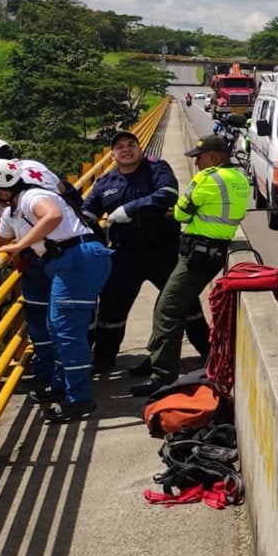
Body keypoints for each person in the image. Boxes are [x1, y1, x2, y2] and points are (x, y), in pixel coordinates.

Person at [0, 160, 113, 423]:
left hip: (77, 258)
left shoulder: (33, 196)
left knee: (67, 332)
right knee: (57, 328)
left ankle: (79, 398)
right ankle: (64, 387)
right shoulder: (13, 213)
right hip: (68, 262)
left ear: (1, 192)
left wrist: (21, 246)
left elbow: (53, 215)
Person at [130, 135, 250, 396]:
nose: (196, 163)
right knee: (167, 301)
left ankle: (163, 374)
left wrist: (175, 212)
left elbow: (183, 212)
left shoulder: (208, 178)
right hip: (214, 251)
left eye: (199, 157)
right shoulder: (240, 179)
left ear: (214, 157)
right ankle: (156, 357)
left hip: (197, 253)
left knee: (168, 309)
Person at [84, 130, 209, 373]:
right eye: (120, 147)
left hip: (163, 251)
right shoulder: (105, 183)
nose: (126, 149)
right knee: (111, 309)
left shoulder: (156, 168)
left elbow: (168, 194)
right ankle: (104, 358)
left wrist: (129, 210)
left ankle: (208, 350)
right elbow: (87, 213)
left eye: (131, 144)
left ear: (140, 149)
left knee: (185, 304)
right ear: (112, 155)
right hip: (124, 255)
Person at [0, 137, 73, 392]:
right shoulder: (34, 165)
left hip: (37, 252)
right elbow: (62, 190)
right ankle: (69, 370)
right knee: (65, 314)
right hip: (70, 244)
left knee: (39, 314)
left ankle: (50, 376)